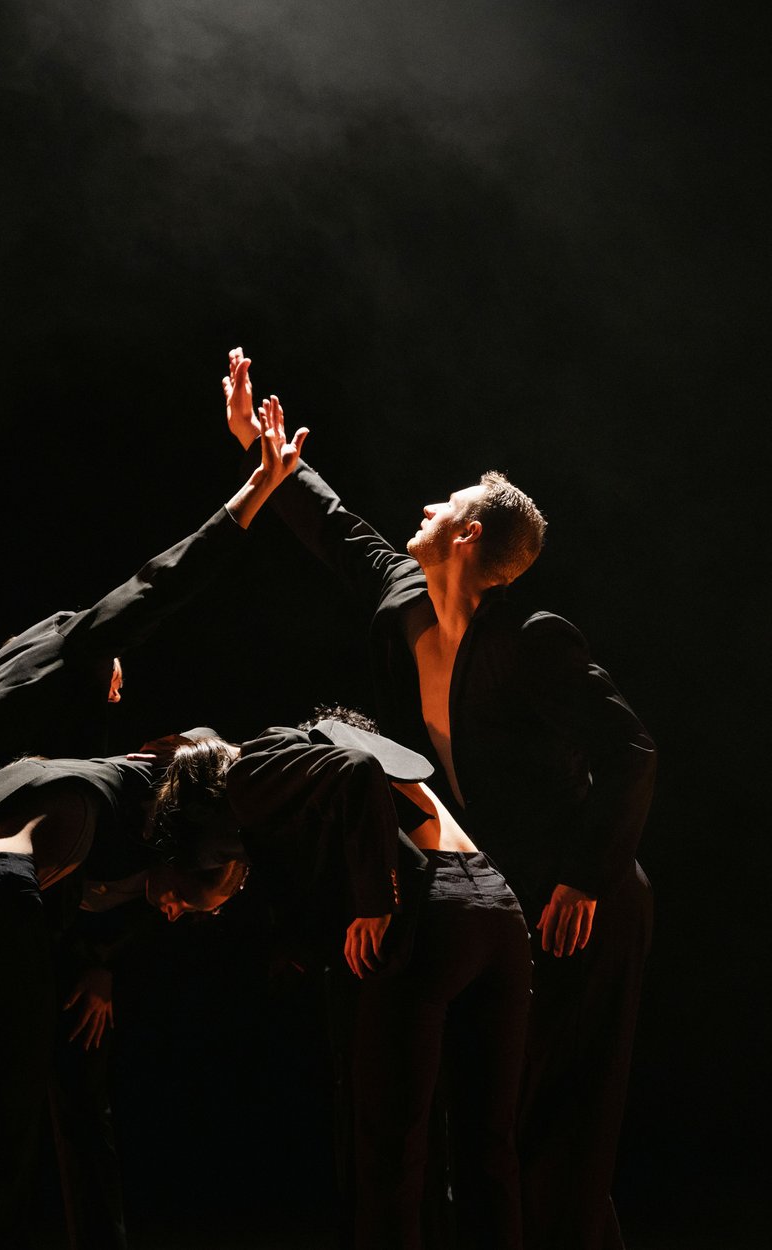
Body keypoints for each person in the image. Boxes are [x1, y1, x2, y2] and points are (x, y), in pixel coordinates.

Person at [0, 402, 308, 1250]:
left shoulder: (2, 711)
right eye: (113, 670)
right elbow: (159, 585)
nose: (121, 681)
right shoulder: (73, 657)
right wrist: (254, 494)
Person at [222, 349, 656, 1250]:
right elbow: (340, 532)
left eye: (443, 505)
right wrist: (275, 464)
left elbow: (631, 751)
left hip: (587, 899)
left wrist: (584, 877)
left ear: (467, 539)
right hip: (505, 893)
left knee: (559, 1111)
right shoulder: (401, 603)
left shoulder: (532, 640)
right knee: (495, 1113)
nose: (422, 509)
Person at [146, 712, 532, 1250]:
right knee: (489, 1148)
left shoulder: (248, 775)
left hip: (433, 920)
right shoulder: (324, 753)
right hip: (498, 909)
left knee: (389, 1149)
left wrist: (376, 904)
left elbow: (356, 769)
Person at [0, 749, 247, 1250]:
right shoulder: (115, 829)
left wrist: (103, 971)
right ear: (175, 860)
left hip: (27, 952)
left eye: (194, 913)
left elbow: (109, 933)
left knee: (57, 1119)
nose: (176, 913)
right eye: (182, 898)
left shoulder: (139, 898)